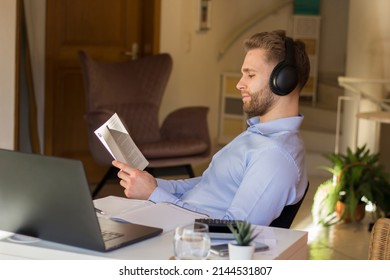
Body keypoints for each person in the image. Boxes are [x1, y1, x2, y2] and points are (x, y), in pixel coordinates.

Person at [112, 30, 310, 226]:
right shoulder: (258, 135)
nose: (239, 84)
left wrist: (154, 195)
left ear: (284, 81)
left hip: (192, 244)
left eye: (250, 75)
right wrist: (150, 184)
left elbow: (234, 231)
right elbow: (207, 185)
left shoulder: (275, 157)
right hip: (177, 225)